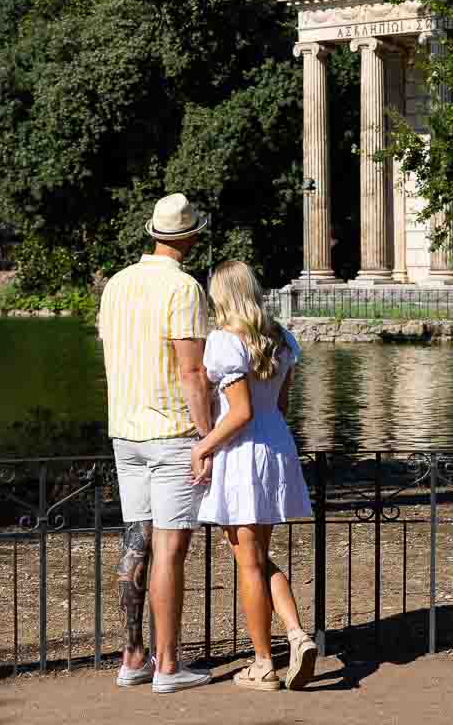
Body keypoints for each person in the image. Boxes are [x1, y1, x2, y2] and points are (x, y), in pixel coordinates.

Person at [98, 193, 212, 694]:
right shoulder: (184, 288)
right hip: (169, 432)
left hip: (124, 429)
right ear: (189, 237)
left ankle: (132, 655)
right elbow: (191, 372)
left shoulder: (116, 285)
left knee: (135, 542)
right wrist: (207, 436)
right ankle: (168, 664)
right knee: (169, 549)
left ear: (153, 233)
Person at [191, 261, 318, 692]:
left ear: (223, 296)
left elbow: (240, 412)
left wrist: (203, 445)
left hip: (241, 453)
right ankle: (297, 634)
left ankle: (264, 664)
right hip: (276, 445)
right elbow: (278, 407)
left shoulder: (225, 342)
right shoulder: (281, 338)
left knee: (247, 562)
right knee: (258, 557)